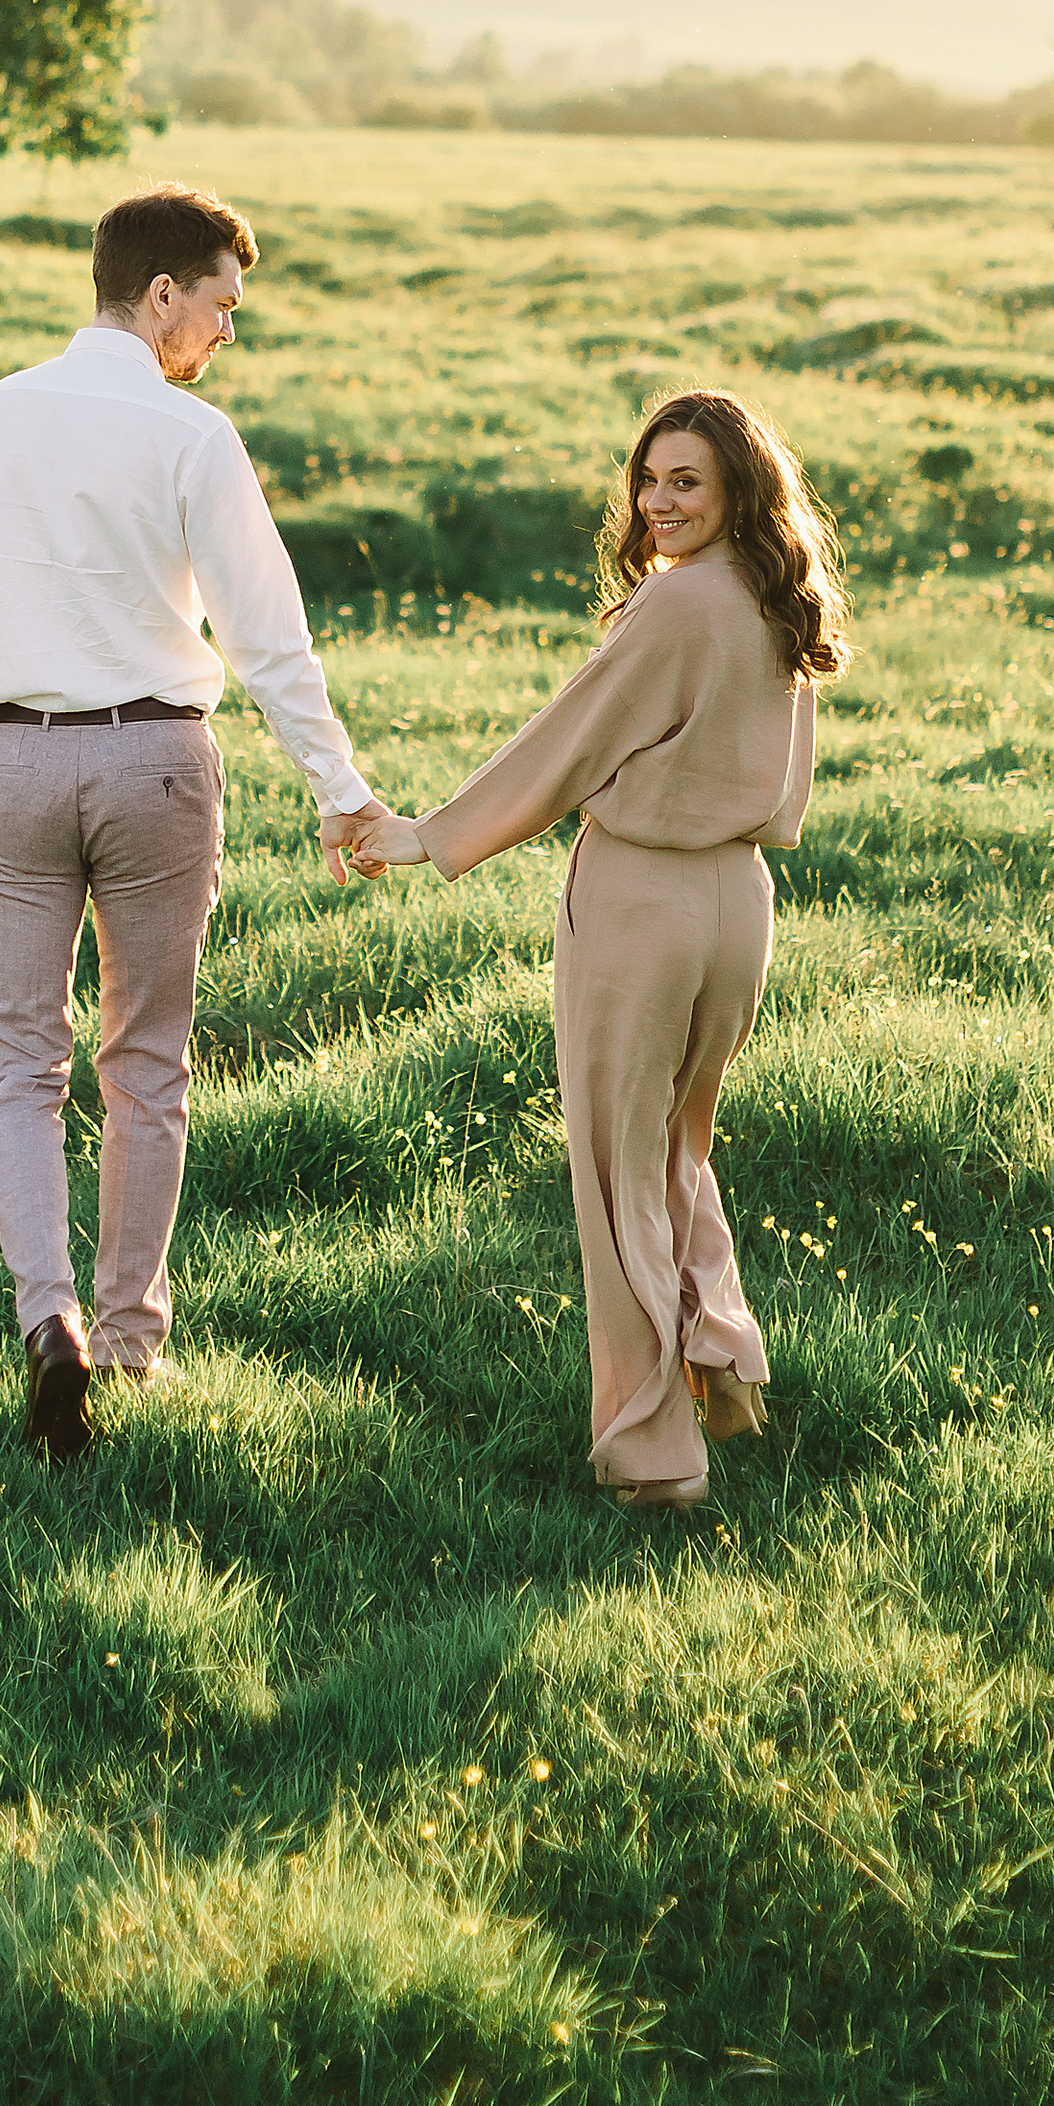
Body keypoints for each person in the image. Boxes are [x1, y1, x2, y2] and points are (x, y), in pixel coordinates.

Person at [0, 181, 380, 1460]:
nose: (226, 333)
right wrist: (340, 791)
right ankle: (127, 1343)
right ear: (160, 293)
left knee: (17, 1060)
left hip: (10, 759)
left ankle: (44, 1318)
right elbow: (267, 634)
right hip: (158, 763)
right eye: (222, 305)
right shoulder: (192, 438)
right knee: (146, 1059)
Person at [348, 391, 844, 1509]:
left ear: (736, 495)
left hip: (642, 905)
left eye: (686, 484)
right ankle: (723, 1369)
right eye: (649, 480)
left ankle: (651, 1454)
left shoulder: (674, 610)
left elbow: (564, 743)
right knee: (677, 1148)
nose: (657, 504)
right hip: (737, 902)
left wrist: (430, 835)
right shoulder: (778, 597)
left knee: (617, 1171)